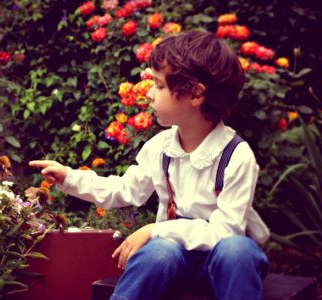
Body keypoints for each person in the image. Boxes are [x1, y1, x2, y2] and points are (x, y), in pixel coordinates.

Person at [29, 30, 270, 300]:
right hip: (175, 262)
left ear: (196, 94)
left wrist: (156, 229)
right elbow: (122, 190)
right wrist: (68, 177)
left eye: (159, 85)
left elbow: (225, 231)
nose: (150, 94)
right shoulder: (161, 147)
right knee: (158, 252)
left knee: (238, 250)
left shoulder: (236, 155)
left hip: (224, 266)